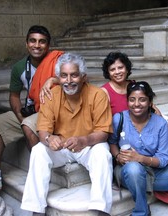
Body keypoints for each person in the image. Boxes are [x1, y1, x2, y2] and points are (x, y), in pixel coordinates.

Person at [21, 53, 113, 216]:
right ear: (58, 77)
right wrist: (49, 138)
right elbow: (43, 129)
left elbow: (104, 132)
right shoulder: (51, 95)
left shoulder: (97, 95)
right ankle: (36, 210)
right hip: (62, 148)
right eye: (64, 76)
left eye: (74, 75)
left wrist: (85, 140)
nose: (69, 80)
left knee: (102, 152)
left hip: (87, 147)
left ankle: (101, 209)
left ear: (83, 77)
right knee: (38, 151)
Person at [108, 81, 168, 216]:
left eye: (142, 100)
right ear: (128, 101)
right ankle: (141, 212)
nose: (136, 104)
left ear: (150, 102)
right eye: (132, 100)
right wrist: (118, 156)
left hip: (155, 172)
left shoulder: (160, 124)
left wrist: (141, 158)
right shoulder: (119, 119)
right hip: (128, 173)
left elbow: (163, 159)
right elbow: (112, 143)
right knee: (134, 168)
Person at [0, 25, 63, 190]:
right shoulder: (20, 67)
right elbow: (14, 96)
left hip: (53, 112)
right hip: (32, 110)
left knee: (29, 125)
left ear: (48, 45)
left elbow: (74, 79)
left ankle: (40, 173)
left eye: (42, 42)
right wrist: (20, 116)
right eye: (33, 41)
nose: (37, 45)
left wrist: (54, 80)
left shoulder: (57, 61)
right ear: (26, 44)